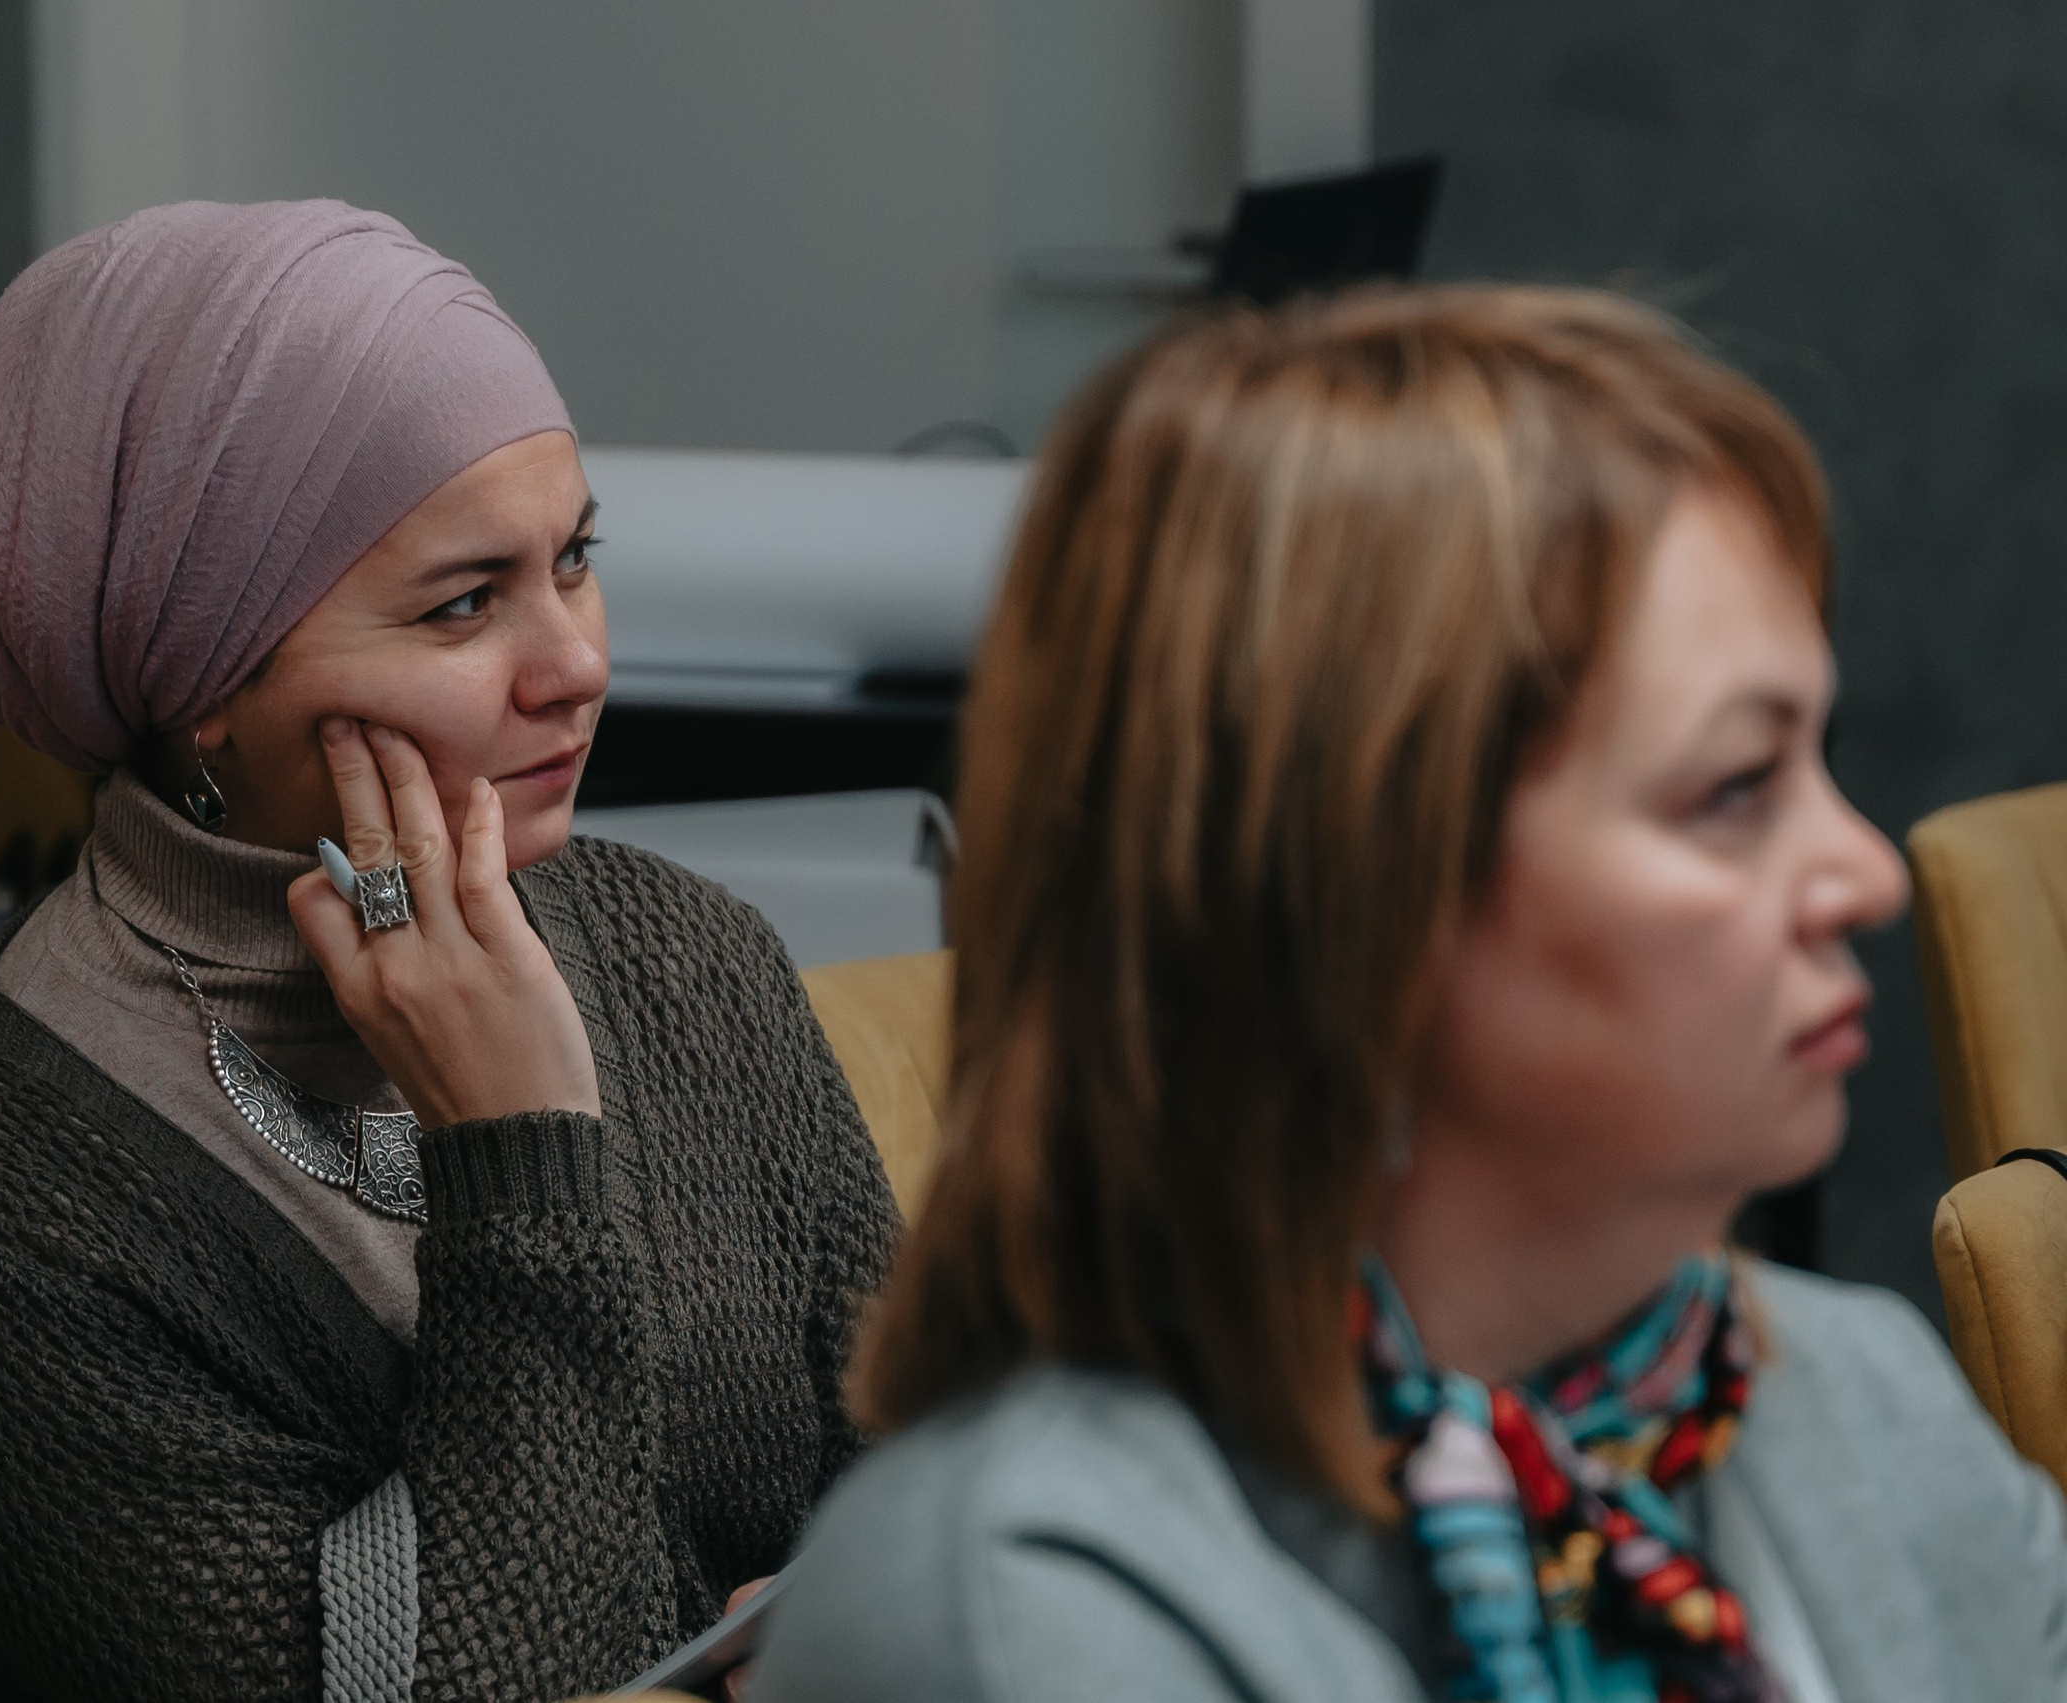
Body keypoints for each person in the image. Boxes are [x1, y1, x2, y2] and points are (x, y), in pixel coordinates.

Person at [746, 287, 2067, 1703]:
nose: (1866, 871)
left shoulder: (1858, 1402)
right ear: (1362, 888)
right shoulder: (1013, 1610)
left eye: (1820, 759)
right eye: (1735, 788)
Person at [0, 200, 897, 1703]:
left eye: (574, 560)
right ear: (198, 676)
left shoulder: (678, 951)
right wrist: (518, 1154)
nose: (579, 665)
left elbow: (916, 1447)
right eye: (465, 605)